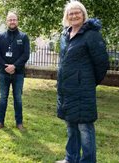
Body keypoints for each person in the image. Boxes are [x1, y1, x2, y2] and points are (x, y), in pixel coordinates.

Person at [56, 1, 109, 163]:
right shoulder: (65, 35)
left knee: (85, 128)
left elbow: (102, 64)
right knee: (71, 126)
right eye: (70, 13)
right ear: (66, 17)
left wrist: (86, 82)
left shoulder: (91, 34)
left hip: (83, 90)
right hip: (67, 90)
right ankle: (70, 158)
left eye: (77, 12)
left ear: (83, 14)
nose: (74, 16)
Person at [0, 11, 30, 131]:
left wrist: (14, 66)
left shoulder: (23, 37)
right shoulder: (1, 37)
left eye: (14, 19)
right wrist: (5, 66)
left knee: (18, 98)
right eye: (10, 20)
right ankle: (0, 122)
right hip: (3, 73)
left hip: (18, 73)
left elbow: (25, 55)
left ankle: (19, 123)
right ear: (7, 21)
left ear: (17, 21)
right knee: (3, 97)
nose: (12, 22)